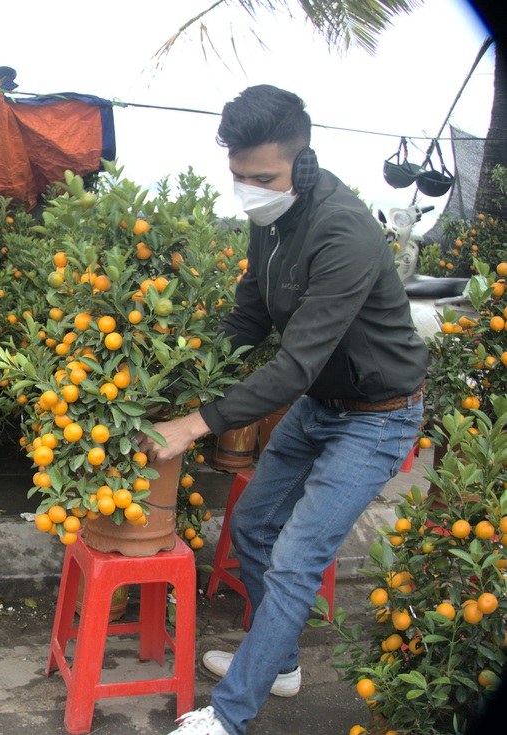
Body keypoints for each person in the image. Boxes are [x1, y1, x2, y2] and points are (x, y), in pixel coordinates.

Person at [136, 85, 428, 735]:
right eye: (238, 177)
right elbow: (249, 315)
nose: (248, 190)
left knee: (297, 555)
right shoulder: (269, 218)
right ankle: (282, 661)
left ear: (301, 161)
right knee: (256, 525)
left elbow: (293, 365)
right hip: (323, 402)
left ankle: (230, 716)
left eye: (261, 177)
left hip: (377, 413)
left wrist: (193, 423)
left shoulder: (342, 230)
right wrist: (178, 372)